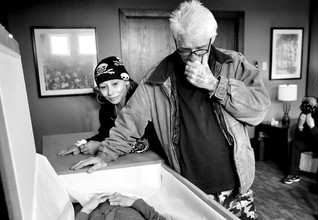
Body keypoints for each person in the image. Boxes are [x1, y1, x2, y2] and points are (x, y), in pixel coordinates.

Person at [70, 1, 271, 219]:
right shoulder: (157, 79)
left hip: (237, 185)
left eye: (200, 49)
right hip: (191, 189)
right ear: (176, 41)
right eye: (185, 50)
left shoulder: (234, 63)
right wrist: (106, 154)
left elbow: (258, 111)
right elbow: (130, 120)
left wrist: (216, 85)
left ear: (212, 39)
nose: (193, 57)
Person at [57, 56, 160, 157]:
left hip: (159, 160)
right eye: (103, 87)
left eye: (115, 84)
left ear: (126, 81)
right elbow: (106, 134)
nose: (110, 92)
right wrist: (83, 145)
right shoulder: (107, 108)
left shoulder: (142, 101)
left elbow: (147, 143)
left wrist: (101, 147)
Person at [76, 192, 167, 220]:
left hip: (82, 201)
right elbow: (157, 218)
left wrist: (86, 210)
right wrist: (133, 202)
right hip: (125, 194)